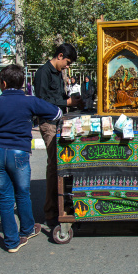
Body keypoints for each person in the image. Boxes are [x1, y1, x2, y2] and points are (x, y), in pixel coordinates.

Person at [0, 65, 62, 252]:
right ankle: (27, 230)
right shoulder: (29, 101)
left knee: (6, 198)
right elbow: (56, 113)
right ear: (23, 83)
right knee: (23, 194)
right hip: (20, 154)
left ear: (3, 84)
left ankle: (12, 242)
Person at [34, 43, 82, 228]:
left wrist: (71, 102)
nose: (68, 66)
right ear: (60, 56)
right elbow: (41, 101)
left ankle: (62, 203)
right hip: (49, 124)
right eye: (68, 62)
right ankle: (51, 211)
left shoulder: (58, 73)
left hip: (60, 122)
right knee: (55, 166)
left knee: (63, 164)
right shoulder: (42, 73)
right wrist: (66, 101)